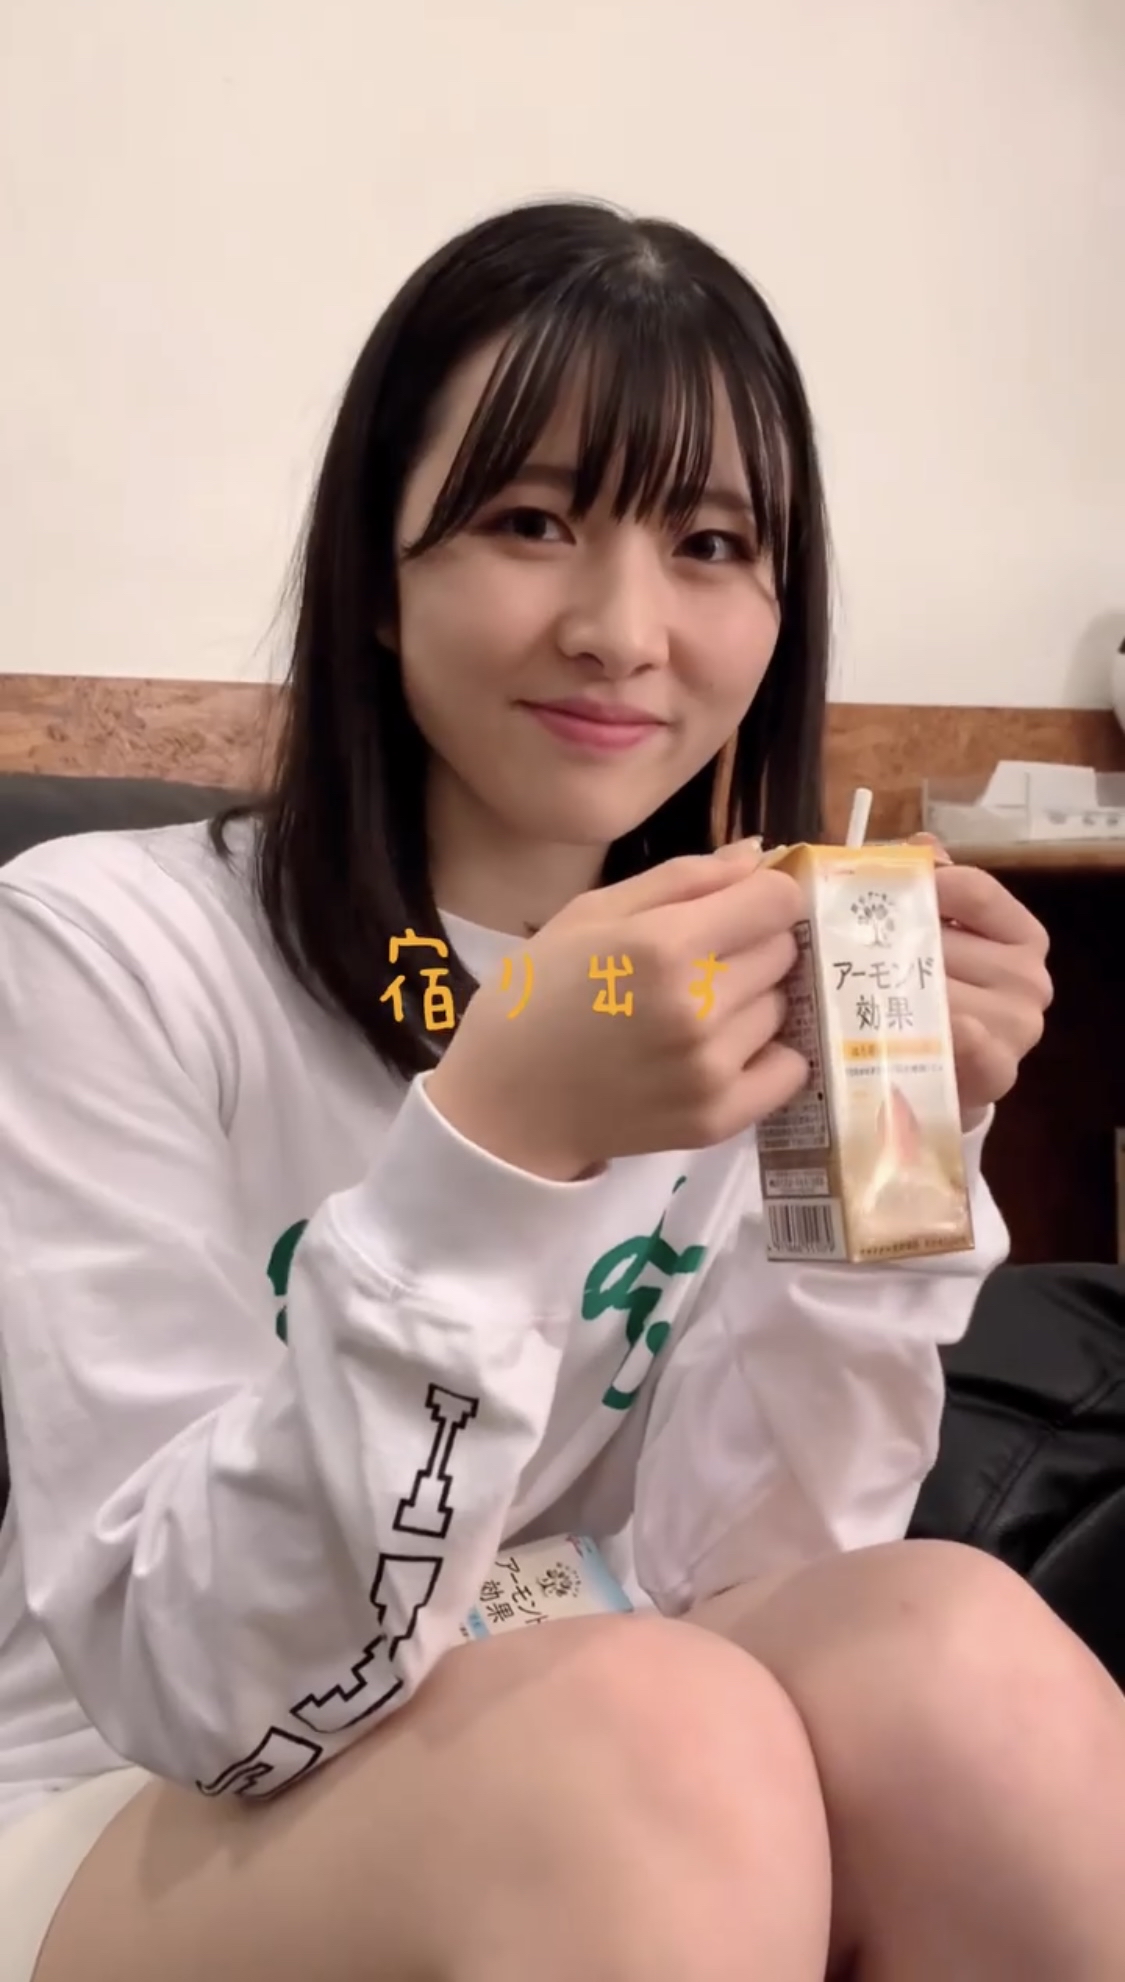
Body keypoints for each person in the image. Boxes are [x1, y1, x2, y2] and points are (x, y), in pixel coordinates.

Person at [0, 198, 1118, 1982]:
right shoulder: (103, 946)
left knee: (955, 1654)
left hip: (617, 1715)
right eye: (530, 522)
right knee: (649, 1741)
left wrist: (885, 1156)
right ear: (378, 574)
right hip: (140, 1789)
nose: (621, 627)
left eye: (709, 544)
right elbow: (197, 1685)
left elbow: (755, 1571)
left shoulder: (744, 970)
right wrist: (497, 1147)